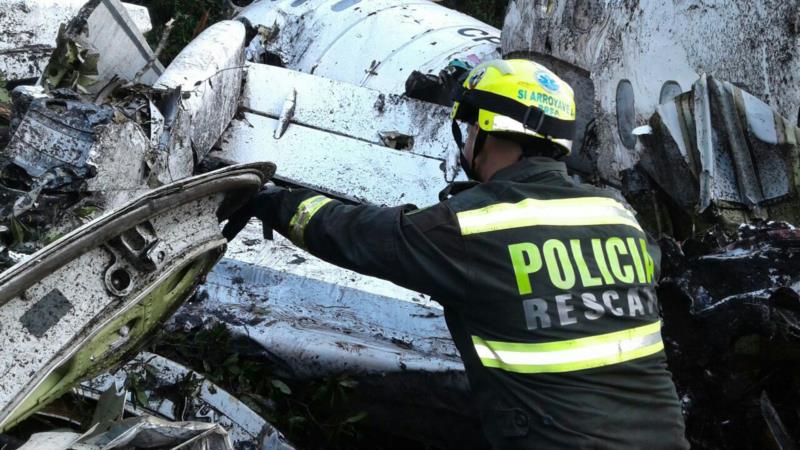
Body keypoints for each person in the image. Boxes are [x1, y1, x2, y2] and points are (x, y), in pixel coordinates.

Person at [223, 59, 689, 449]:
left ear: (488, 128)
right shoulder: (619, 216)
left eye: (469, 126)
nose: (466, 140)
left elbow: (359, 235)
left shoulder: (475, 227)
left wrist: (274, 202)